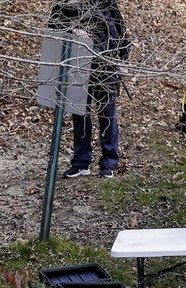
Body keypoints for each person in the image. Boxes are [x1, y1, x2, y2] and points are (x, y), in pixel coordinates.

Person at [58, 0, 130, 179]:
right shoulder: (64, 4)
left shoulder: (106, 3)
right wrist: (72, 31)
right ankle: (81, 162)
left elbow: (120, 32)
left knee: (107, 114)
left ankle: (109, 163)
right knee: (79, 114)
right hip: (78, 66)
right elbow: (53, 27)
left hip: (106, 67)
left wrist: (122, 59)